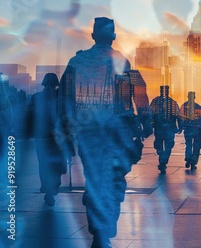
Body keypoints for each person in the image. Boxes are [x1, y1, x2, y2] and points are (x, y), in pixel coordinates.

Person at [59, 17, 152, 247]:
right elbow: (139, 94)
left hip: (88, 135)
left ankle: (99, 231)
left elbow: (64, 100)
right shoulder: (121, 61)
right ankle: (103, 230)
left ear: (92, 36)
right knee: (112, 180)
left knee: (94, 179)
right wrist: (146, 122)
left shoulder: (76, 61)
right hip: (116, 134)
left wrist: (65, 133)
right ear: (113, 37)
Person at [26, 73, 66, 206]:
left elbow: (30, 117)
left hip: (43, 137)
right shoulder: (60, 99)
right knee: (56, 164)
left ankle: (49, 188)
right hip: (54, 138)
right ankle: (51, 188)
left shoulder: (36, 98)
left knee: (45, 164)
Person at [150, 85, 181, 174]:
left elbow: (177, 115)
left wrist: (180, 126)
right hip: (160, 128)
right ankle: (163, 161)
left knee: (168, 146)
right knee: (159, 146)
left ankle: (163, 162)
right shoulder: (156, 102)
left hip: (167, 128)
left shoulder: (170, 102)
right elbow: (150, 114)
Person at [179, 91, 201, 170]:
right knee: (196, 145)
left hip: (188, 128)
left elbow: (180, 117)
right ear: (194, 97)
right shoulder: (198, 106)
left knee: (188, 144)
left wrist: (180, 127)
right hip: (197, 129)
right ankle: (193, 161)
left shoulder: (184, 106)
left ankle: (188, 158)